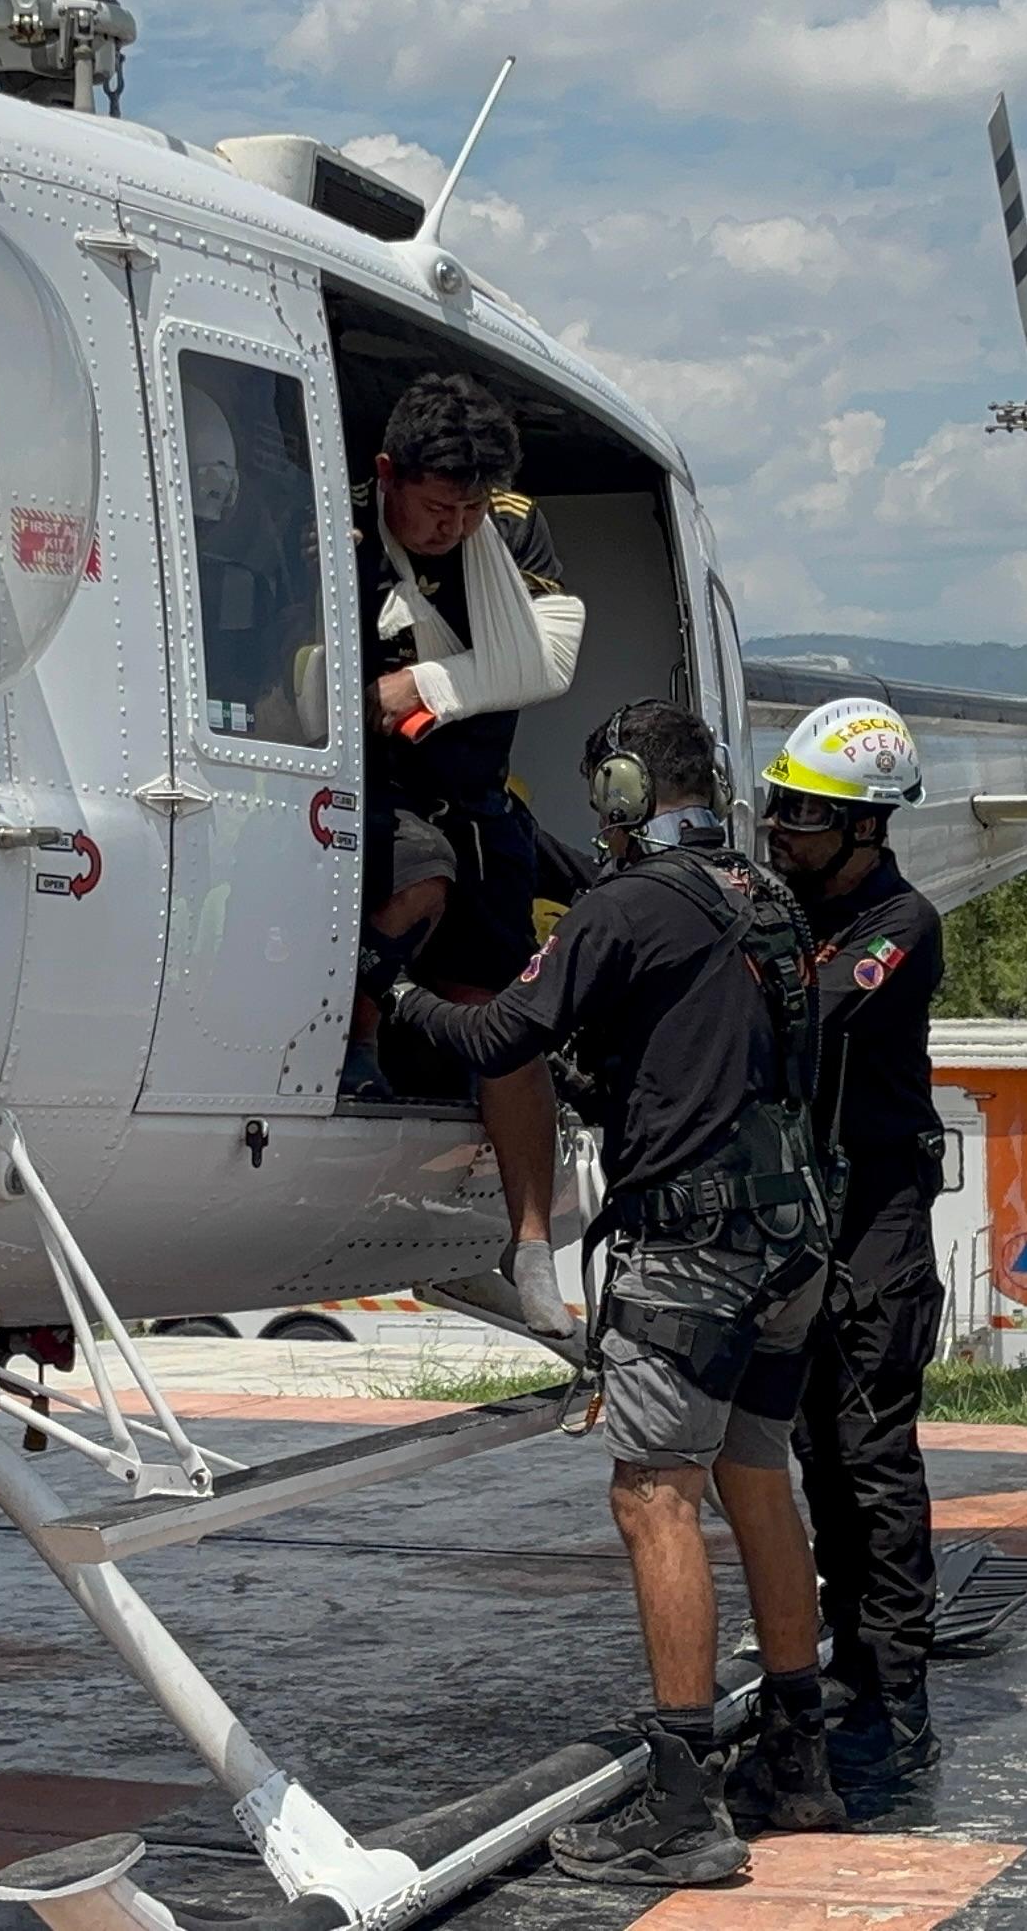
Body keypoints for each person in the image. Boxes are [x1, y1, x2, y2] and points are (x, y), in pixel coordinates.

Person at [379, 699, 840, 1885]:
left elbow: (502, 1041)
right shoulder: (765, 897)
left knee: (653, 1500)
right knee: (756, 1478)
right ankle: (799, 1754)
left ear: (628, 795)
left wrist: (396, 993)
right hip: (791, 1240)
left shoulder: (626, 905)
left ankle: (684, 1806)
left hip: (692, 1255)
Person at [347, 372, 586, 1337]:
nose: (453, 527)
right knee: (414, 884)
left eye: (469, 510)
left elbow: (547, 661)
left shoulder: (509, 526)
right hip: (378, 794)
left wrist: (421, 682)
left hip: (482, 803)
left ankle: (527, 1246)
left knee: (506, 1024)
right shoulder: (339, 529)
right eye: (438, 507)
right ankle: (359, 1053)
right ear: (386, 475)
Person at [759, 697, 950, 1797]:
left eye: (805, 816)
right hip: (813, 1217)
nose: (781, 830)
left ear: (867, 827)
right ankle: (848, 1659)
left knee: (870, 1456)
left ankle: (896, 1697)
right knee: (815, 1454)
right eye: (780, 807)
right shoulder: (793, 905)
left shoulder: (900, 924)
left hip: (874, 1217)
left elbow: (810, 1018)